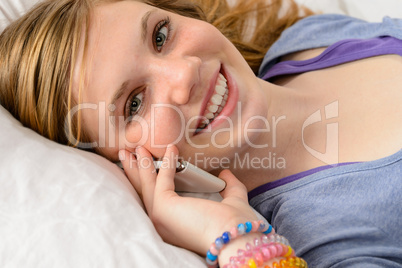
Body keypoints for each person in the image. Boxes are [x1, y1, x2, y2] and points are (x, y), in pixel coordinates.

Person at [0, 0, 401, 267]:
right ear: (133, 166)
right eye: (134, 104)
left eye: (160, 35)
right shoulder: (324, 232)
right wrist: (231, 238)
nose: (185, 73)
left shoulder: (308, 40)